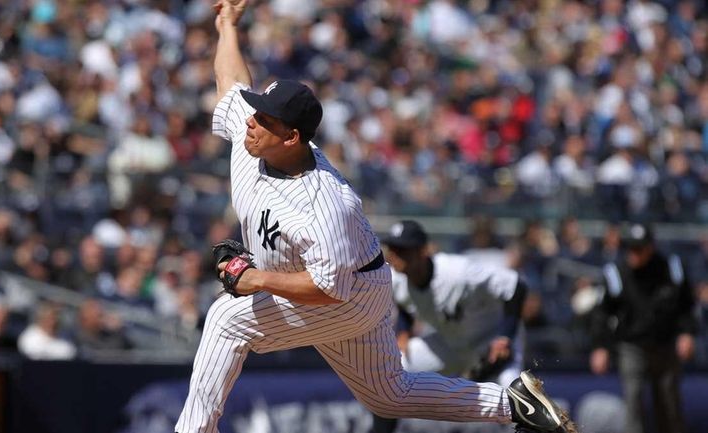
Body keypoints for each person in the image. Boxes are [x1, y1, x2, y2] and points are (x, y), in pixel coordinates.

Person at [175, 2, 573, 433]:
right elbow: (231, 83)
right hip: (343, 280)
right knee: (387, 394)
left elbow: (330, 288)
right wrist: (228, 27)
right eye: (255, 113)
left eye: (264, 119)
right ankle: (512, 403)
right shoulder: (254, 137)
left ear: (291, 136)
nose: (250, 122)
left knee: (226, 320)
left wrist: (257, 280)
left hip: (348, 294)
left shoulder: (325, 203)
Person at [372, 220, 529, 433]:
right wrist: (403, 332)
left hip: (491, 341)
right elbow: (405, 305)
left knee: (517, 397)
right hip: (450, 344)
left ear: (423, 251)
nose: (396, 256)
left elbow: (515, 286)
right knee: (392, 369)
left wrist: (505, 337)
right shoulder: (398, 280)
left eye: (404, 250)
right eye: (393, 249)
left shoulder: (459, 272)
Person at [589, 223, 697, 433]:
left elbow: (687, 305)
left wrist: (687, 333)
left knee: (669, 403)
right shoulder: (616, 273)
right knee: (634, 401)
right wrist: (600, 346)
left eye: (638, 249)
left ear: (651, 248)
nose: (633, 254)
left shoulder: (671, 269)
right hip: (632, 346)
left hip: (665, 344)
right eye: (629, 248)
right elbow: (602, 313)